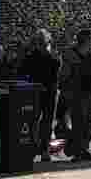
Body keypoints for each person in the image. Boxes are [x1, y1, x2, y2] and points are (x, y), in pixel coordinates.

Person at [18, 29, 63, 160]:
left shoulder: (32, 57)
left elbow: (22, 70)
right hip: (47, 92)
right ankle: (42, 150)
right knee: (44, 121)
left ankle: (36, 149)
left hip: (38, 92)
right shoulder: (52, 57)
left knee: (36, 121)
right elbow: (56, 74)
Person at [60, 28, 91, 161]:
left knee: (89, 124)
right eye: (90, 39)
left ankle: (82, 149)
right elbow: (64, 76)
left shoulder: (89, 56)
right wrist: (66, 91)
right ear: (85, 40)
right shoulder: (71, 56)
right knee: (79, 123)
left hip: (88, 93)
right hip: (76, 94)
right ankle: (77, 150)